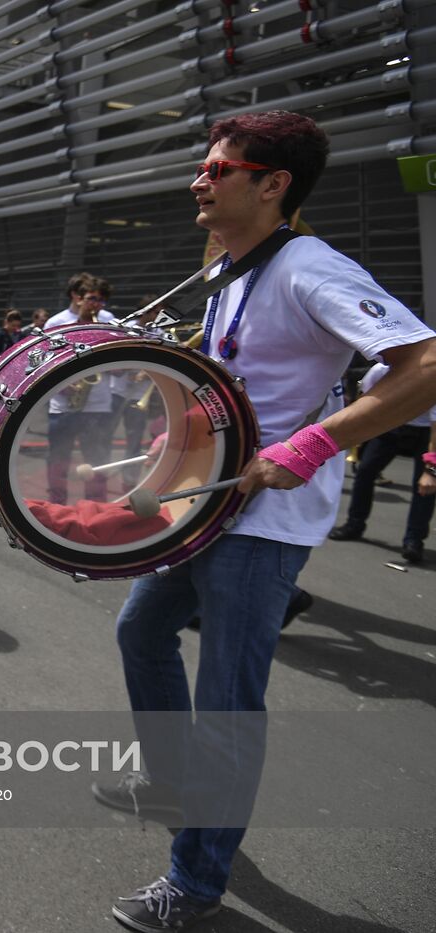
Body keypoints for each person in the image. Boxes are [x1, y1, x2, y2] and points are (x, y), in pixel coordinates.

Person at [97, 111, 436, 933]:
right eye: (204, 168)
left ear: (272, 183)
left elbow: (424, 363)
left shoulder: (310, 268)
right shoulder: (235, 269)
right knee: (141, 634)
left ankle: (198, 878)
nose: (199, 181)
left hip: (266, 520)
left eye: (219, 169)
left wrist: (314, 443)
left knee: (228, 700)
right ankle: (177, 782)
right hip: (207, 502)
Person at [327, 361, 436, 564]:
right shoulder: (381, 370)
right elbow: (364, 402)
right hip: (391, 425)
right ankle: (354, 524)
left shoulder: (432, 375)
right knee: (365, 471)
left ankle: (414, 540)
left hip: (426, 433)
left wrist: (431, 470)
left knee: (425, 487)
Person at [43, 274, 116, 504]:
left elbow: (118, 362)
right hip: (64, 404)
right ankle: (57, 503)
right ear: (77, 297)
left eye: (101, 300)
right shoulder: (56, 323)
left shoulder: (108, 319)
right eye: (92, 298)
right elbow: (45, 361)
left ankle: (95, 506)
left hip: (98, 404)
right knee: (58, 458)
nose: (97, 304)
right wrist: (64, 385)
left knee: (97, 459)